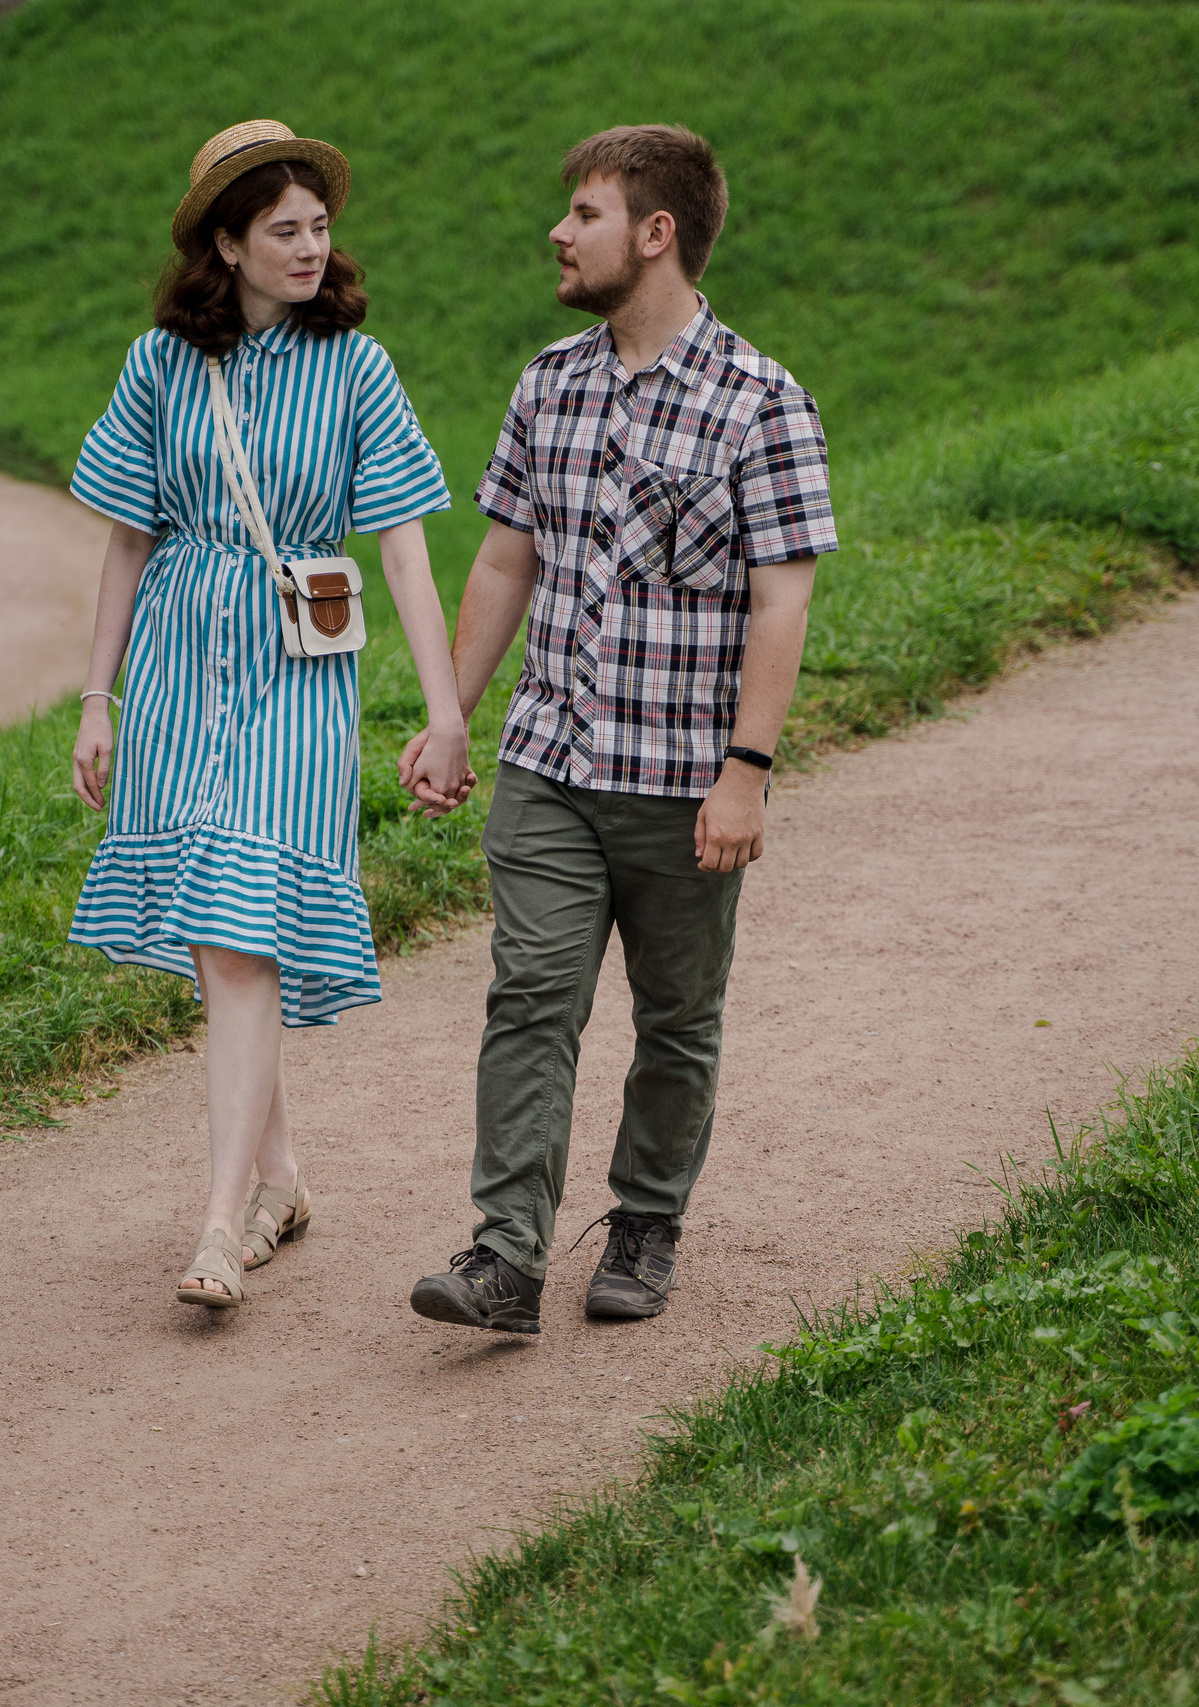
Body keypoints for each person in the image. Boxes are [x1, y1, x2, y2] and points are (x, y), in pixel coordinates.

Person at [403, 124, 836, 1335]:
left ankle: (645, 1221)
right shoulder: (548, 381)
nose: (559, 232)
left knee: (675, 1020)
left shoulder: (760, 402)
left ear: (655, 233)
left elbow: (782, 601)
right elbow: (506, 558)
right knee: (531, 998)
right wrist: (451, 715)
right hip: (550, 762)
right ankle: (505, 1256)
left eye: (583, 213)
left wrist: (745, 772)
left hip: (683, 781)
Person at [67, 120, 472, 1310]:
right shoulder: (158, 365)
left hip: (300, 674)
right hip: (177, 669)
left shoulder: (357, 367)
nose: (309, 247)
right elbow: (126, 542)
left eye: (320, 227)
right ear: (228, 245)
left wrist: (445, 710)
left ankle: (216, 1220)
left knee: (242, 929)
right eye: (283, 230)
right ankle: (280, 1182)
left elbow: (402, 547)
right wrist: (96, 699)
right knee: (224, 942)